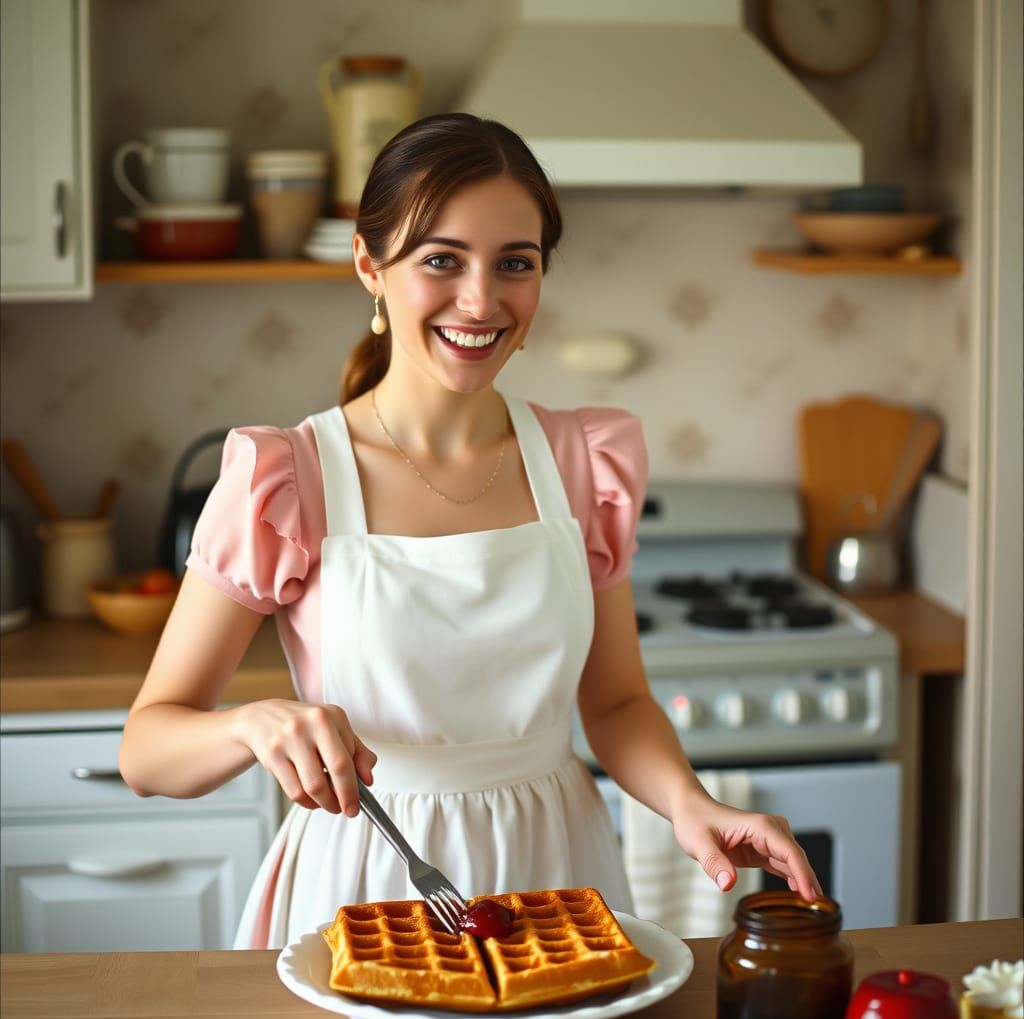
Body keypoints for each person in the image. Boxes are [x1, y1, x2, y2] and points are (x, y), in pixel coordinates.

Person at [119, 113, 821, 949]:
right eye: (441, 260)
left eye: (514, 264)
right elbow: (147, 747)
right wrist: (250, 724)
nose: (482, 301)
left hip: (561, 868)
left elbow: (619, 701)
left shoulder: (581, 462)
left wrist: (690, 803)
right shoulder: (289, 477)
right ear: (368, 265)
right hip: (364, 884)